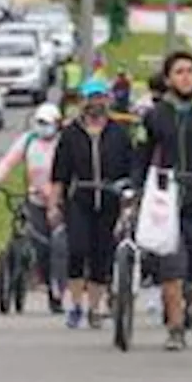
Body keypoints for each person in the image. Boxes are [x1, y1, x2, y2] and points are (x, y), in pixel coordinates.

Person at [133, 50, 192, 349]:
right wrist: (137, 189)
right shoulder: (155, 116)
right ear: (168, 78)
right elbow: (141, 156)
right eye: (179, 72)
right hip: (167, 198)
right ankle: (175, 327)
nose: (186, 77)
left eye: (190, 71)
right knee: (171, 264)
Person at [50, 78, 134, 329]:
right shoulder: (71, 133)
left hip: (110, 198)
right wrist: (54, 204)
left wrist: (128, 200)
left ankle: (94, 307)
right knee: (77, 249)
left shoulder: (118, 133)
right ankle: (75, 303)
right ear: (83, 102)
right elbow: (59, 173)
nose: (96, 104)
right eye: (91, 98)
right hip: (80, 197)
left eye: (101, 98)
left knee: (102, 253)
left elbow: (130, 168)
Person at [0, 102, 65, 313]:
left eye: (47, 123)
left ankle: (57, 290)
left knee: (58, 247)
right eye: (39, 123)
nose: (43, 127)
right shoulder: (28, 141)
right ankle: (39, 277)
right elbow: (7, 162)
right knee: (39, 246)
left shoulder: (64, 143)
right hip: (35, 199)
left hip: (59, 201)